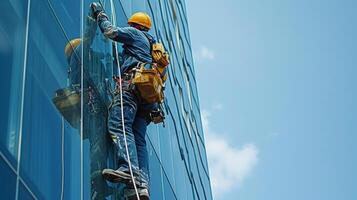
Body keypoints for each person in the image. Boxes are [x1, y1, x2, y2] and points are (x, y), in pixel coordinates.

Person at [90, 3, 169, 200]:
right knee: (139, 140)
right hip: (148, 101)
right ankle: (141, 185)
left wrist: (100, 15)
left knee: (119, 126)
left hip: (131, 89)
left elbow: (110, 31)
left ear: (134, 25)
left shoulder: (134, 34)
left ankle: (129, 169)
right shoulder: (152, 48)